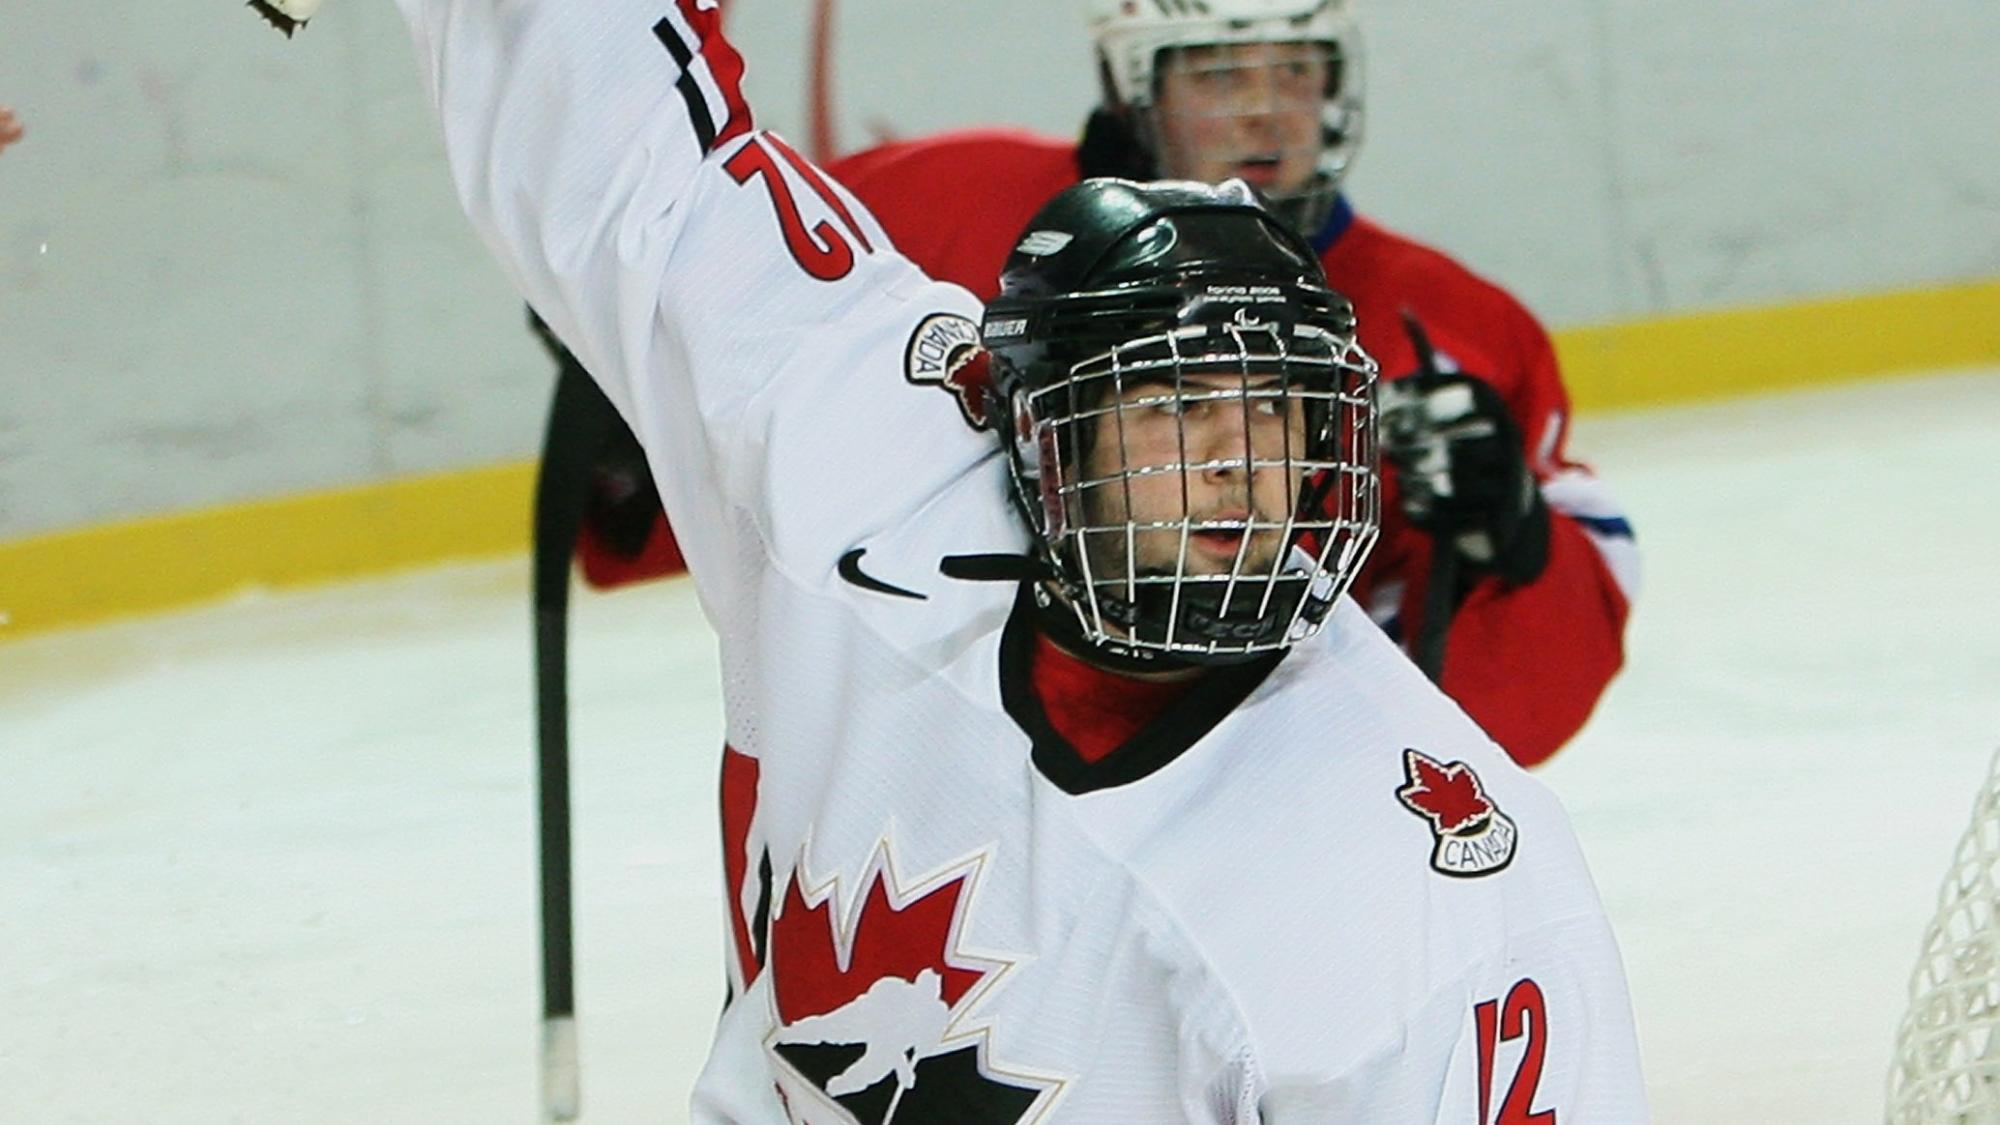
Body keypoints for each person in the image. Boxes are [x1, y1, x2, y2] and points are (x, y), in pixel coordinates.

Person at [377, 0, 1647, 1118]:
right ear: (1036, 432)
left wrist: (1517, 540)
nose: (1235, 465)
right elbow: (642, 176)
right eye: (1174, 405)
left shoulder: (1432, 890)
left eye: (1276, 413)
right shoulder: (871, 463)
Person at [547, 0, 1639, 768]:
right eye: (1219, 72)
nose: (1265, 112)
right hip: (938, 758)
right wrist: (634, 412)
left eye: (1293, 71)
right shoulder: (941, 207)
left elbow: (1481, 728)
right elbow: (751, 351)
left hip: (1253, 795)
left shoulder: (1446, 325)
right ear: (1137, 81)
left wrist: (1517, 535)